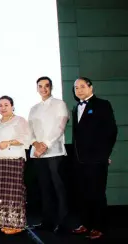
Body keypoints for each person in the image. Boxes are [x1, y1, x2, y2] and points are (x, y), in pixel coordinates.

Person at [71, 77, 117, 240]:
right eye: (76, 88)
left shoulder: (103, 105)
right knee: (83, 193)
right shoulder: (76, 108)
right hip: (80, 161)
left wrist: (104, 155)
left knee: (97, 193)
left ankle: (98, 227)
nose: (79, 90)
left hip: (97, 160)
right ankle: (85, 224)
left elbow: (111, 132)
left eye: (82, 86)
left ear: (91, 87)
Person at [28, 76, 70, 233]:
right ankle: (47, 222)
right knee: (44, 189)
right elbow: (29, 130)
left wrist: (44, 144)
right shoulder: (34, 108)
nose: (43, 89)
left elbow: (60, 127)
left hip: (55, 152)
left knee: (59, 188)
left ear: (51, 87)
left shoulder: (60, 104)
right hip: (38, 154)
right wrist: (35, 143)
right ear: (37, 88)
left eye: (46, 86)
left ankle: (63, 223)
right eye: (40, 86)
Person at [0, 96, 30, 235]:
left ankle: (17, 224)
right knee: (3, 193)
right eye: (0, 105)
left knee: (15, 192)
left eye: (6, 105)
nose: (3, 108)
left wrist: (8, 142)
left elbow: (25, 138)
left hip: (14, 159)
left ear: (12, 106)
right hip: (0, 160)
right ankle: (5, 221)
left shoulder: (19, 120)